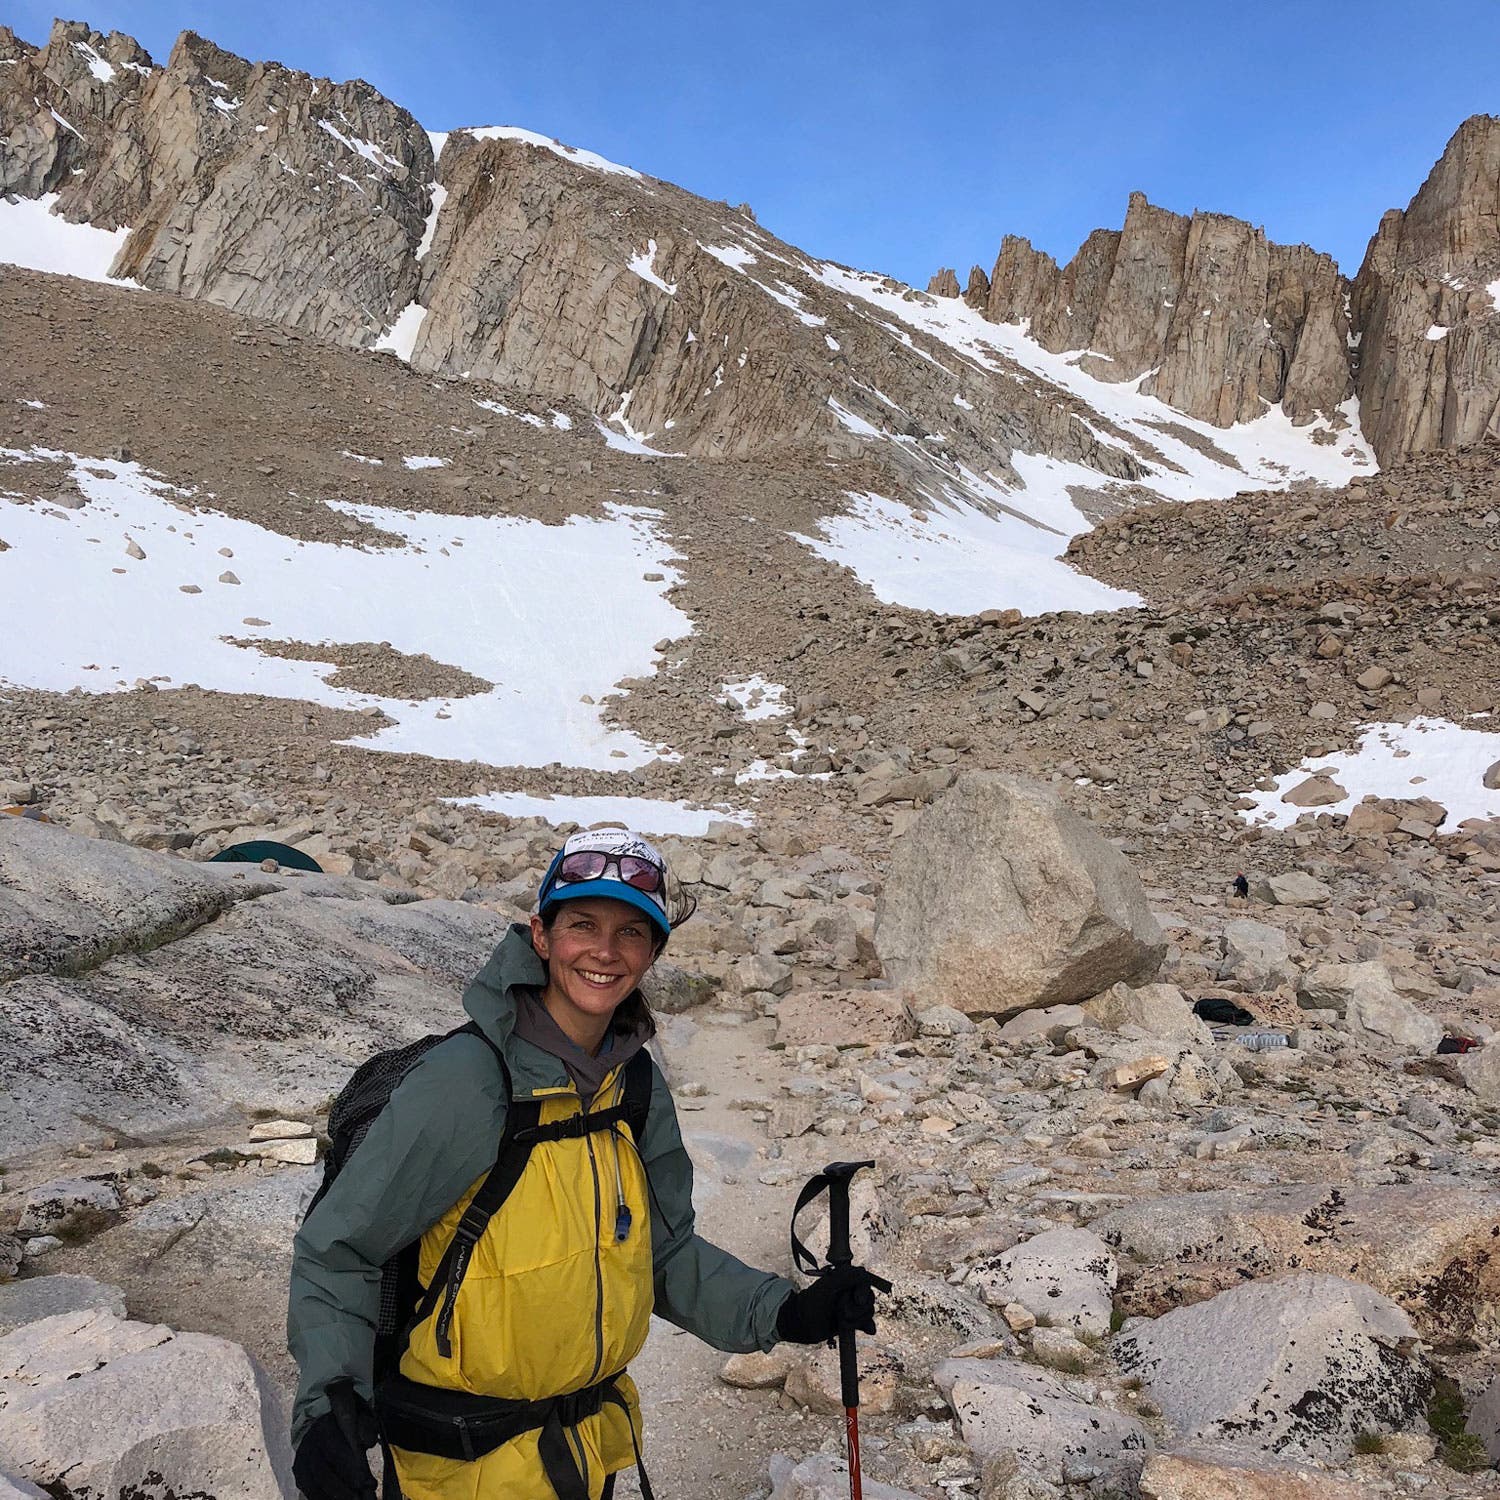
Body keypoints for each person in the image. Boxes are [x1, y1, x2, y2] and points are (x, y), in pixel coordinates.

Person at [288, 827, 881, 1500]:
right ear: (541, 936)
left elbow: (660, 1253)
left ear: (652, 952)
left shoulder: (634, 1085)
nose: (605, 951)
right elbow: (341, 1250)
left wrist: (786, 1312)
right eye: (583, 925)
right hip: (458, 1468)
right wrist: (327, 1405)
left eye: (631, 932)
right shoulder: (468, 1081)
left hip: (585, 1452)